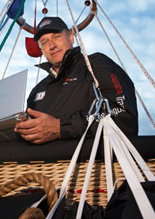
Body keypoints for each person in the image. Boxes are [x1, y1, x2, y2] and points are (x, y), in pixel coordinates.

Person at [14, 16, 138, 144]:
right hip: (40, 163)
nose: (51, 45)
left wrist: (60, 128)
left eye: (57, 37)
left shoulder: (96, 65)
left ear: (71, 37)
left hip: (90, 162)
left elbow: (125, 119)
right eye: (44, 42)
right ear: (41, 50)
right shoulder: (37, 90)